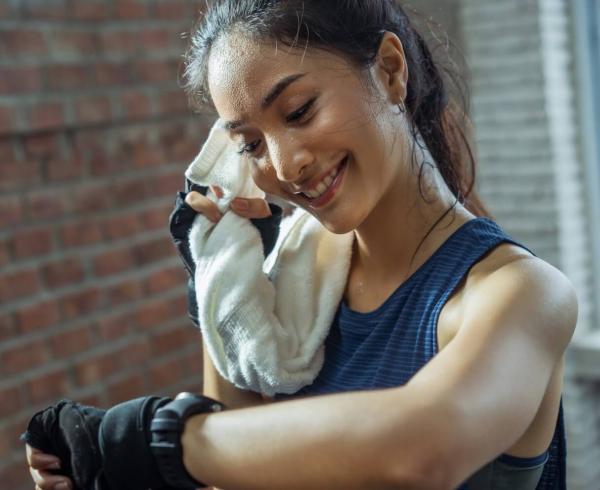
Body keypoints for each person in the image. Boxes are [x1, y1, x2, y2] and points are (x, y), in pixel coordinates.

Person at [24, 1, 578, 489]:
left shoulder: (520, 293)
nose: (285, 166)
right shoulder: (292, 287)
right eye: (251, 144)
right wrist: (221, 278)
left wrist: (158, 442)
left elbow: (423, 450)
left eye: (299, 111)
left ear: (389, 71)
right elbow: (233, 475)